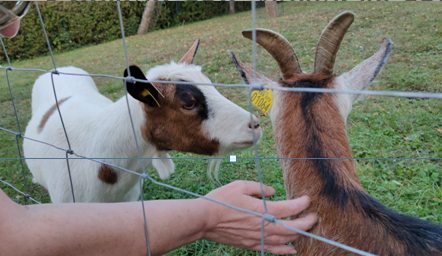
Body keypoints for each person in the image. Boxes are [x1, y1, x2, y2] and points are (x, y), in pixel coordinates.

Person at [0, 2, 318, 255]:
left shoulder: (126, 129)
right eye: (5, 8)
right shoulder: (71, 179)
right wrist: (208, 216)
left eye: (15, 8)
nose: (13, 26)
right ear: (145, 98)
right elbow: (19, 239)